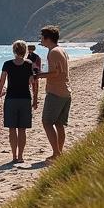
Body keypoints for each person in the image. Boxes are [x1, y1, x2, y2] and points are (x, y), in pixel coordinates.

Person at [0, 39, 38, 164]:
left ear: (14, 51)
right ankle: (20, 156)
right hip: (25, 98)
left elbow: (1, 83)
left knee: (12, 129)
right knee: (22, 129)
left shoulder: (7, 64)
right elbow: (34, 83)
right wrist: (35, 99)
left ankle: (14, 156)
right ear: (25, 51)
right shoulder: (29, 64)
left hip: (11, 99)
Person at [39, 24, 70, 161]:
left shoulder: (54, 52)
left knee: (47, 122)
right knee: (58, 123)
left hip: (56, 92)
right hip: (65, 91)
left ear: (48, 39)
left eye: (42, 37)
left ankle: (56, 153)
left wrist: (39, 75)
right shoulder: (61, 50)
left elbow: (55, 73)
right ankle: (59, 152)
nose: (40, 40)